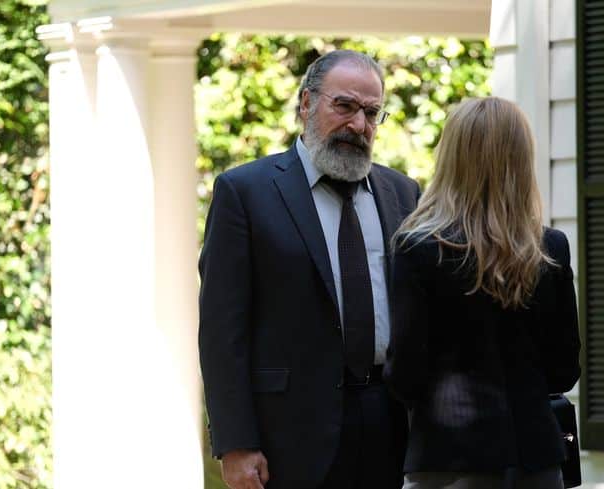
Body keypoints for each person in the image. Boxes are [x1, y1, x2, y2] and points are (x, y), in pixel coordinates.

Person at [198, 49, 420, 489]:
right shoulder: (245, 192)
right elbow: (223, 332)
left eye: (371, 113)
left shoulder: (402, 193)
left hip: (391, 426)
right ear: (306, 103)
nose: (358, 125)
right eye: (344, 106)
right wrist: (236, 443)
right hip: (289, 436)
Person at [384, 96, 581, 489]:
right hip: (536, 461)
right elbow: (564, 369)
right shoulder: (550, 247)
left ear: (451, 157)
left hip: (447, 462)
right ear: (521, 160)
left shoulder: (417, 248)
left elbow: (405, 375)